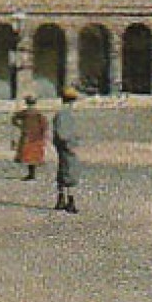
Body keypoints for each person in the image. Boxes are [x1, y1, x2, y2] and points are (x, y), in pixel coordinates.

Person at [52, 86, 82, 214]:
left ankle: (60, 199)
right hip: (67, 146)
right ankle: (70, 202)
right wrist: (70, 143)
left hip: (62, 145)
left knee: (62, 171)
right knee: (70, 173)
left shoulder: (61, 113)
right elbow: (62, 133)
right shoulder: (65, 113)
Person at [11, 95, 49, 180]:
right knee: (32, 155)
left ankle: (31, 174)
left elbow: (14, 119)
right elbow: (44, 125)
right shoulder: (38, 113)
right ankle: (32, 174)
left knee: (30, 155)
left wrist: (20, 126)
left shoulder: (26, 113)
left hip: (28, 136)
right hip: (36, 136)